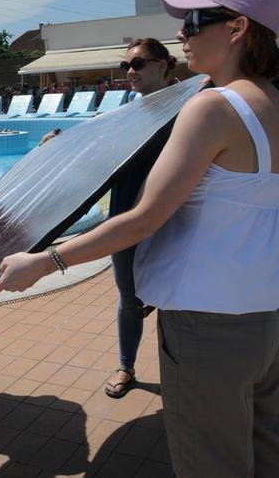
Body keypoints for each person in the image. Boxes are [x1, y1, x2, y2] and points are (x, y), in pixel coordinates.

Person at [0, 0, 279, 477]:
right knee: (265, 444)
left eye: (194, 20)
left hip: (210, 322)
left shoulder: (213, 108)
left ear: (238, 28)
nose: (181, 32)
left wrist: (46, 261)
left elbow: (143, 217)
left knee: (211, 463)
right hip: (271, 308)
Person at [103, 38, 176, 399]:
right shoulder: (127, 112)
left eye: (138, 64)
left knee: (176, 298)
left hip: (172, 220)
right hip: (126, 218)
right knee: (129, 299)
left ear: (162, 65)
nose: (130, 72)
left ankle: (180, 373)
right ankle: (126, 366)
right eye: (125, 66)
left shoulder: (188, 108)